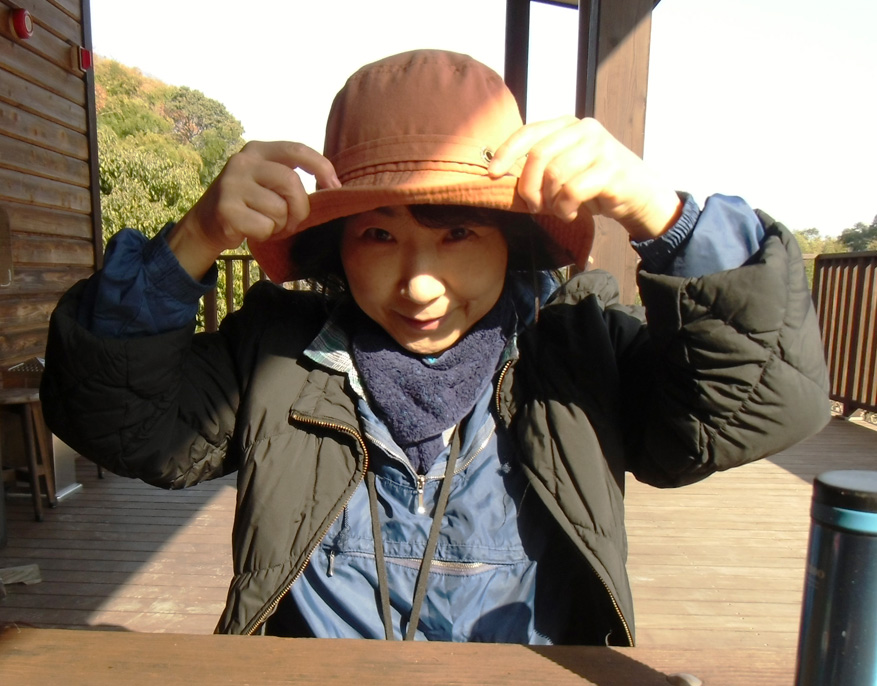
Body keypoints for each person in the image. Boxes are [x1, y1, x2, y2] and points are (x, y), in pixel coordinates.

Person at [41, 50, 829, 644]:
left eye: (458, 233)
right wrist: (195, 236)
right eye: (378, 236)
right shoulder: (277, 355)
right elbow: (121, 423)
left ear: (512, 241)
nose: (419, 285)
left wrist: (667, 216)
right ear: (337, 249)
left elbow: (754, 407)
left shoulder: (578, 349)